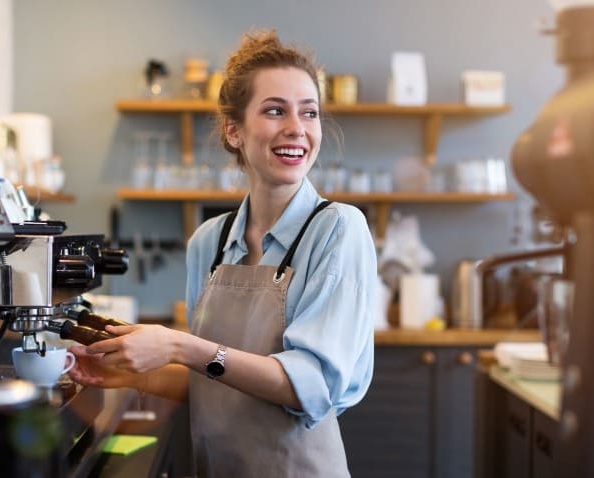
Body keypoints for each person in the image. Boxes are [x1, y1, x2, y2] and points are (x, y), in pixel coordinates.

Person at [68, 29, 377, 477]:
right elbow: (212, 380)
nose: (297, 128)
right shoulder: (209, 241)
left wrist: (177, 344)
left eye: (309, 112)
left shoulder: (337, 229)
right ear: (234, 130)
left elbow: (311, 387)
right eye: (275, 110)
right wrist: (134, 372)